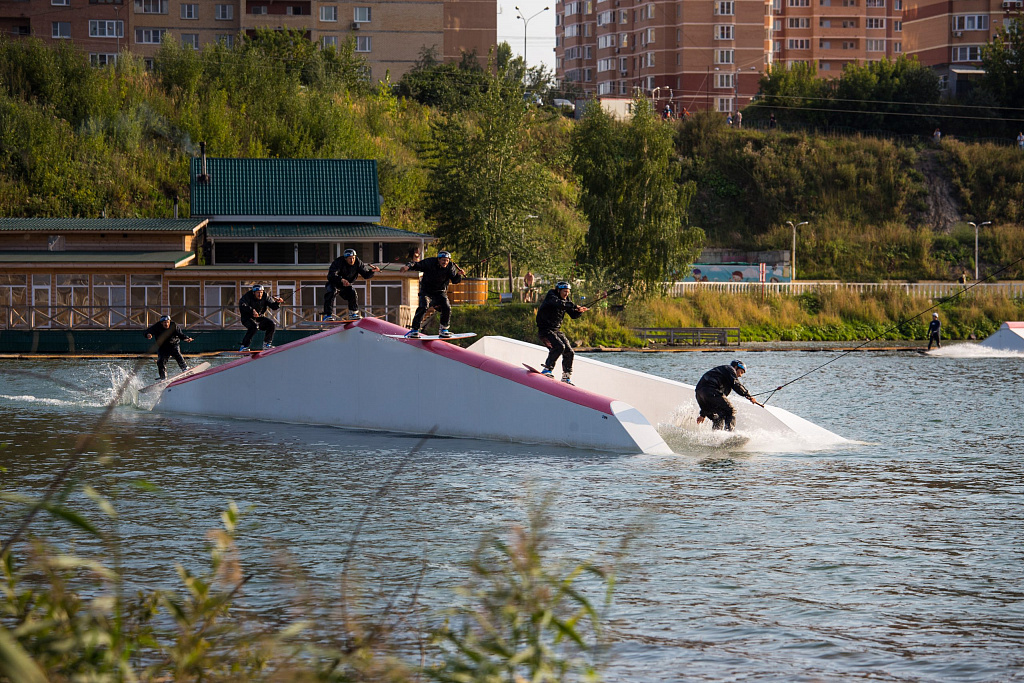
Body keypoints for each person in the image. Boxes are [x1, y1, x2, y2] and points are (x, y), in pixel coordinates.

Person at [400, 250, 465, 338]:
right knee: (423, 307)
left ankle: (443, 329)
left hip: (440, 291)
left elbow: (454, 280)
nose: (445, 262)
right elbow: (416, 264)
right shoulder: (430, 262)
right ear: (438, 259)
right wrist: (407, 267)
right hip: (426, 291)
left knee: (447, 307)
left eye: (447, 260)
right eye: (443, 260)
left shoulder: (450, 266)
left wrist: (458, 275)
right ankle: (414, 330)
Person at [535, 281, 589, 385]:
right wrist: (574, 305)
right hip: (545, 330)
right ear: (558, 290)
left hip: (555, 330)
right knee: (559, 346)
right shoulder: (551, 295)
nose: (566, 294)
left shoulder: (566, 300)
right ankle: (547, 369)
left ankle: (566, 376)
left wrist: (579, 311)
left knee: (569, 351)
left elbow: (573, 315)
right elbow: (559, 304)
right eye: (564, 291)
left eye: (568, 292)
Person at [695, 360, 760, 431]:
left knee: (718, 417)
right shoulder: (730, 369)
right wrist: (749, 395)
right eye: (741, 372)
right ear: (736, 367)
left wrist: (703, 414)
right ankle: (729, 434)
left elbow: (712, 399)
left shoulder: (724, 377)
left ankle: (716, 437)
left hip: (699, 394)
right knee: (731, 410)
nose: (740, 375)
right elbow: (736, 384)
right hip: (711, 391)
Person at [323, 248, 380, 321]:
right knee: (331, 292)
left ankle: (353, 313)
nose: (352, 260)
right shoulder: (339, 262)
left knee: (353, 293)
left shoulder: (358, 262)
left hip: (346, 286)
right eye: (350, 259)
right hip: (334, 283)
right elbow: (331, 275)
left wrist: (372, 271)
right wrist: (341, 279)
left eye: (353, 258)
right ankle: (327, 315)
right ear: (345, 258)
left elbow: (365, 275)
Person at [144, 315, 193, 380]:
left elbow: (180, 334)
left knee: (177, 353)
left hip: (173, 344)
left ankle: (184, 368)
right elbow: (146, 332)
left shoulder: (174, 325)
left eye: (167, 322)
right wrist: (148, 335)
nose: (166, 324)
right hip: (162, 347)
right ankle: (163, 377)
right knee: (160, 361)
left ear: (169, 321)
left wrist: (187, 339)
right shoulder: (157, 326)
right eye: (164, 323)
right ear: (161, 323)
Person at [238, 284, 283, 351]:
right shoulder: (247, 296)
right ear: (253, 293)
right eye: (258, 293)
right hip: (247, 318)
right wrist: (252, 310)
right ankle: (244, 346)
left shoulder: (265, 296)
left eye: (261, 292)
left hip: (259, 317)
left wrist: (277, 303)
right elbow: (242, 304)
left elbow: (273, 307)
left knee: (271, 324)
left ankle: (266, 344)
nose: (260, 294)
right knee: (254, 327)